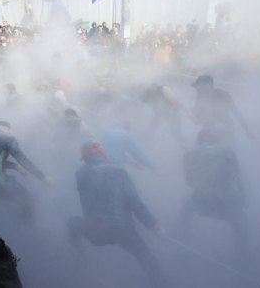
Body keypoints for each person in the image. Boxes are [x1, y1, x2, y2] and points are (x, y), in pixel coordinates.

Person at [68, 141, 168, 288]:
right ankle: (161, 283)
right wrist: (154, 225)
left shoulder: (80, 173)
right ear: (101, 153)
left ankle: (78, 257)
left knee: (72, 222)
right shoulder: (119, 172)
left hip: (96, 232)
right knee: (147, 258)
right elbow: (134, 202)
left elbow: (96, 198)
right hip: (121, 230)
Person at [175, 127, 248, 264]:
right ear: (216, 139)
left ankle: (180, 244)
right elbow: (238, 178)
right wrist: (242, 200)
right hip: (226, 204)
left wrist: (203, 186)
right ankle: (242, 258)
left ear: (199, 140)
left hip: (201, 203)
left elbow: (188, 181)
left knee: (186, 203)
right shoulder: (228, 152)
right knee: (242, 226)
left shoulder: (189, 154)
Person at [0, 121, 52, 222]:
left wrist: (15, 166)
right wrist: (43, 177)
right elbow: (24, 161)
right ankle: (27, 230)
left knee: (7, 201)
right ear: (7, 129)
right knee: (29, 201)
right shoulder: (8, 139)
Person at [191, 75, 254, 144]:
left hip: (225, 131)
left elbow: (236, 112)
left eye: (199, 87)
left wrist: (247, 130)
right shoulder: (201, 98)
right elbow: (197, 113)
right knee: (200, 142)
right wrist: (195, 116)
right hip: (208, 132)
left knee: (223, 146)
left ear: (207, 86)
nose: (197, 90)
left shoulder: (223, 95)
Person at [141, 83, 194, 148]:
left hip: (172, 113)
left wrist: (187, 112)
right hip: (161, 114)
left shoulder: (164, 89)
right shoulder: (148, 94)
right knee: (151, 127)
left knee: (176, 133)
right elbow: (155, 108)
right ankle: (146, 146)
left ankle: (185, 148)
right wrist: (159, 113)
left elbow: (176, 103)